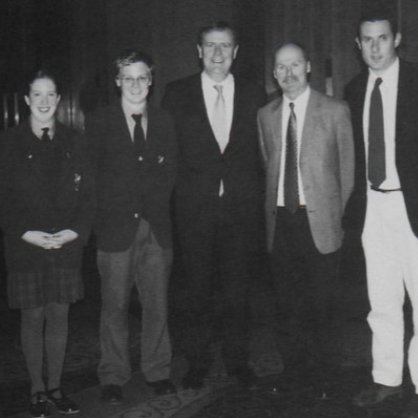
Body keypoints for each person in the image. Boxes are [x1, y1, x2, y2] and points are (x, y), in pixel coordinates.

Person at [162, 21, 266, 390]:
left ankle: (238, 362)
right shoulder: (176, 94)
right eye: (211, 46)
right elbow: (168, 156)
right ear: (199, 50)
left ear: (236, 51)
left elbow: (264, 156)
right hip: (194, 212)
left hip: (241, 211)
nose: (218, 54)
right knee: (197, 293)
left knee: (239, 291)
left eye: (225, 46)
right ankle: (198, 362)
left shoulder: (256, 94)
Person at [257, 42, 354, 398]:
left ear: (308, 67)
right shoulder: (265, 115)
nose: (288, 73)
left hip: (322, 224)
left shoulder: (335, 110)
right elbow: (268, 164)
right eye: (281, 67)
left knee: (323, 307)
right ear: (274, 73)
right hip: (281, 223)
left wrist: (332, 215)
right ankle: (294, 374)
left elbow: (348, 172)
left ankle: (326, 377)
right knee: (287, 307)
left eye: (295, 64)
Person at [0, 70, 95, 418]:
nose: (43, 101)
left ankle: (55, 387)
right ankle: (36, 391)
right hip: (25, 246)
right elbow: (3, 200)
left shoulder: (77, 140)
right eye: (36, 95)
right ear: (26, 100)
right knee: (33, 317)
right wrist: (25, 233)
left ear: (58, 100)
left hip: (66, 244)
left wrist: (76, 232)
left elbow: (89, 196)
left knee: (59, 316)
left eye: (49, 94)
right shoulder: (7, 142)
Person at [84, 49, 177, 403]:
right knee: (115, 308)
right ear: (117, 81)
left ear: (151, 81)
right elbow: (90, 179)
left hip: (157, 229)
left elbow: (171, 172)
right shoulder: (99, 121)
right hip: (115, 230)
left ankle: (158, 370)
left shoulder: (165, 120)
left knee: (156, 305)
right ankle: (113, 375)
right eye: (128, 78)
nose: (135, 84)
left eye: (142, 77)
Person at [345, 10, 418, 417]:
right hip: (373, 206)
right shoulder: (354, 89)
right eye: (367, 40)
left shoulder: (417, 81)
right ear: (358, 44)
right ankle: (387, 379)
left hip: (413, 204)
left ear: (397, 39)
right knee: (382, 299)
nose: (375, 47)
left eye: (382, 38)